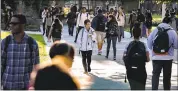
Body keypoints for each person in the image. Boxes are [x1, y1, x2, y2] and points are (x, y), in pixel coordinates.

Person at [1, 14, 40, 90]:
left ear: (22, 25)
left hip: (24, 86)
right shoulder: (5, 42)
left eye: (14, 24)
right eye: (10, 23)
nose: (11, 26)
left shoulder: (31, 43)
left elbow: (36, 68)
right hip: (7, 85)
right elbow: (1, 65)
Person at [147, 16, 178, 90]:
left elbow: (149, 45)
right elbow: (176, 46)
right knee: (167, 77)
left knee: (155, 75)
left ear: (162, 21)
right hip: (168, 58)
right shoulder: (172, 32)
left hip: (156, 57)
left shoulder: (155, 31)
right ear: (169, 23)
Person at [123, 22, 150, 90]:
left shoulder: (128, 45)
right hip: (141, 71)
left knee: (133, 88)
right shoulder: (144, 45)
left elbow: (124, 57)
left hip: (131, 71)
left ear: (132, 34)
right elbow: (148, 59)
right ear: (140, 34)